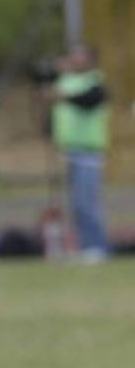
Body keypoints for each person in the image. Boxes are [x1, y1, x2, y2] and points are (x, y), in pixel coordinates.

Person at [47, 44, 110, 262]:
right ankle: (85, 246)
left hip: (88, 153)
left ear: (91, 60)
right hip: (68, 151)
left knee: (87, 202)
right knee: (75, 204)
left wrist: (63, 96)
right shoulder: (66, 80)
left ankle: (96, 246)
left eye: (79, 57)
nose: (74, 60)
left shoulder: (95, 81)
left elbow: (90, 100)